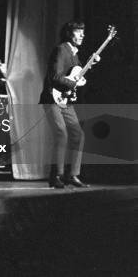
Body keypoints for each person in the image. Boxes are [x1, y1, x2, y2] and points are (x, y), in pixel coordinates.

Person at [39, 21, 95, 188]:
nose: (82, 35)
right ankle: (56, 175)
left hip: (65, 100)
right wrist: (72, 84)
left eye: (83, 32)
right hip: (52, 98)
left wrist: (90, 64)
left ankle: (72, 175)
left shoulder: (74, 53)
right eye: (78, 32)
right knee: (61, 133)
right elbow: (54, 77)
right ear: (69, 33)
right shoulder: (61, 50)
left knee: (78, 135)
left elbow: (75, 75)